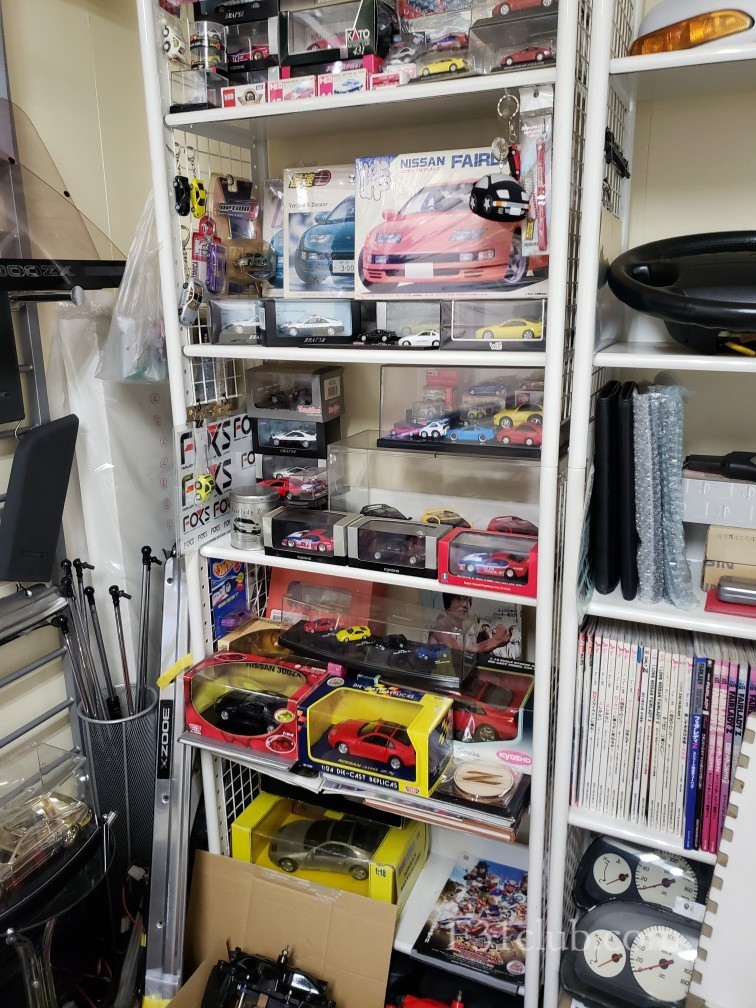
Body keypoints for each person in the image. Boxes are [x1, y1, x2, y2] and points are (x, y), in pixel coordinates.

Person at [428, 594, 511, 653]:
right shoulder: (439, 631)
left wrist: (500, 636)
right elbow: (458, 654)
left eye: (466, 600)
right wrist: (494, 641)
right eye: (459, 599)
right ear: (448, 605)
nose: (465, 604)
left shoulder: (469, 631)